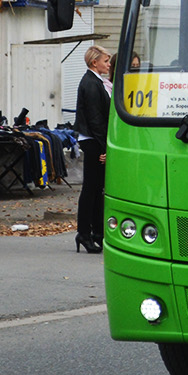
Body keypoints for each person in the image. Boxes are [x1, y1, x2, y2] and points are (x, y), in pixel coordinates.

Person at [75, 45, 112, 254]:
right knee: (91, 189)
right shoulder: (90, 84)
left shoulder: (97, 82)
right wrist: (104, 147)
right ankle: (84, 232)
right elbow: (96, 118)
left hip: (94, 139)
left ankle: (96, 232)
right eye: (105, 61)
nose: (108, 64)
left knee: (97, 189)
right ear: (94, 62)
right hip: (93, 140)